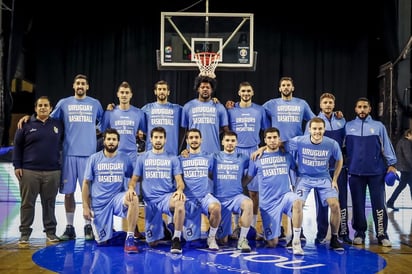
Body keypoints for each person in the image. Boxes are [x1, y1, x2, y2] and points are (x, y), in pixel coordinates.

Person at [17, 74, 104, 241]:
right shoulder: (64, 103)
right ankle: (70, 227)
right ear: (73, 86)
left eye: (83, 84)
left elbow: (103, 121)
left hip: (89, 155)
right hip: (69, 154)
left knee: (89, 194)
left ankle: (88, 226)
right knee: (68, 193)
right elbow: (46, 118)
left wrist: (102, 121)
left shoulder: (95, 104)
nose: (80, 86)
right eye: (77, 83)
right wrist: (29, 118)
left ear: (87, 87)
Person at [243, 127, 304, 255]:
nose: (272, 140)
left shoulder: (286, 155)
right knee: (272, 243)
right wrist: (237, 188)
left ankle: (296, 241)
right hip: (268, 203)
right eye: (269, 138)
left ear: (279, 139)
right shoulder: (256, 158)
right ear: (264, 140)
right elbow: (249, 177)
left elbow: (298, 170)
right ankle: (268, 232)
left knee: (298, 201)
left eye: (275, 137)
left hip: (285, 196)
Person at [345, 97, 397, 247]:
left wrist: (392, 164)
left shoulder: (378, 126)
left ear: (369, 109)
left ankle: (382, 234)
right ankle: (359, 233)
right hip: (355, 173)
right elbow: (341, 148)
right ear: (355, 109)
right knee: (357, 205)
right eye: (359, 107)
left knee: (379, 204)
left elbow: (386, 146)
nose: (362, 109)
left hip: (376, 173)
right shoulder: (348, 127)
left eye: (365, 107)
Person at [126, 126, 186, 254]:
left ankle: (176, 238)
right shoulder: (142, 158)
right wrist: (131, 188)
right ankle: (163, 228)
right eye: (155, 138)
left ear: (165, 140)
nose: (158, 140)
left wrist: (180, 190)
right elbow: (134, 179)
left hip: (166, 198)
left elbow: (180, 181)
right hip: (150, 201)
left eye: (161, 138)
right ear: (151, 140)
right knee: (152, 243)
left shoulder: (172, 158)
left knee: (180, 202)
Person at [12, 96, 64, 244]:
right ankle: (24, 233)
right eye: (40, 105)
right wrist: (17, 165)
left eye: (46, 105)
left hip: (52, 171)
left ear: (51, 108)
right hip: (29, 171)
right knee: (27, 203)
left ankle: (50, 232)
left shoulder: (58, 125)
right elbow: (17, 146)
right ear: (35, 108)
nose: (43, 108)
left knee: (49, 203)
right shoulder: (26, 124)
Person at [289, 117, 344, 251]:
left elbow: (339, 160)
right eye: (314, 128)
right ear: (309, 130)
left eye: (320, 129)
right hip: (304, 178)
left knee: (335, 205)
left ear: (324, 129)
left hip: (323, 178)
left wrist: (335, 179)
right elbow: (279, 144)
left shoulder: (331, 143)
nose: (317, 131)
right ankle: (296, 239)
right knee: (296, 204)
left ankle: (334, 238)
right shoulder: (299, 141)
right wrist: (261, 150)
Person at [81, 128, 139, 253]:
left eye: (114, 139)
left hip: (117, 198)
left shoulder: (124, 158)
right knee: (103, 242)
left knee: (133, 197)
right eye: (109, 139)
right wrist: (85, 206)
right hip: (100, 203)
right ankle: (109, 231)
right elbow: (86, 183)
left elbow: (133, 177)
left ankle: (130, 238)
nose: (111, 142)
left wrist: (130, 188)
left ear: (118, 142)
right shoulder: (94, 158)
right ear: (104, 141)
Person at [226, 81, 270, 240]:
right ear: (239, 93)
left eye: (248, 91)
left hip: (254, 151)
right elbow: (226, 130)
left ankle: (252, 226)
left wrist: (263, 148)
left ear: (252, 93)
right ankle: (236, 226)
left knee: (254, 193)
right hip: (236, 151)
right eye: (243, 91)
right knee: (235, 191)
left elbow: (267, 131)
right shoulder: (231, 110)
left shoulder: (260, 110)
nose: (246, 93)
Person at [308, 92, 352, 244]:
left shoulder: (342, 121)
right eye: (325, 102)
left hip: (339, 169)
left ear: (334, 105)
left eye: (330, 103)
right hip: (319, 171)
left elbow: (346, 144)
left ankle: (343, 232)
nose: (327, 105)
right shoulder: (314, 122)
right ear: (320, 105)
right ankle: (321, 233)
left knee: (342, 201)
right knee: (321, 204)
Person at [179, 128, 221, 250]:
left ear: (201, 139)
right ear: (187, 140)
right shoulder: (181, 158)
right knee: (191, 242)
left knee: (216, 207)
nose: (194, 140)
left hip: (204, 197)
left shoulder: (209, 157)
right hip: (189, 200)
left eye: (196, 137)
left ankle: (211, 237)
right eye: (191, 138)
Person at [211, 130, 253, 252]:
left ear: (237, 143)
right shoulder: (214, 157)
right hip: (220, 199)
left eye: (233, 141)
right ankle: (217, 231)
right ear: (222, 142)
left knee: (249, 203)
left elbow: (253, 166)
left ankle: (242, 239)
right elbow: (208, 173)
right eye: (227, 140)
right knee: (223, 240)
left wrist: (261, 149)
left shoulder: (243, 158)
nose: (230, 143)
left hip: (235, 197)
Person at [101, 81, 146, 164]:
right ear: (118, 94)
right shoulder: (109, 112)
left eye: (127, 92)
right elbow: (103, 132)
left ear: (131, 95)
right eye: (122, 92)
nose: (124, 95)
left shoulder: (139, 113)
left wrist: (140, 133)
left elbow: (145, 133)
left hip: (132, 155)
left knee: (132, 177)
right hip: (114, 153)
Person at [181, 75, 229, 154]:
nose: (205, 89)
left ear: (212, 90)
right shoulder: (188, 106)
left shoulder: (219, 107)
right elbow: (184, 132)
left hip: (214, 152)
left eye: (208, 87)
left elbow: (225, 130)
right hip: (193, 152)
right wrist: (183, 149)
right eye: (202, 87)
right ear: (198, 89)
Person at [141, 80, 183, 156]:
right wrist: (113, 108)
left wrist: (210, 103)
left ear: (168, 92)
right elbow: (133, 117)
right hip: (151, 154)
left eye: (164, 89)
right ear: (155, 92)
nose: (162, 91)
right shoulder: (147, 108)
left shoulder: (177, 109)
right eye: (159, 89)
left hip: (171, 153)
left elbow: (192, 112)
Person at [387, 129, 412, 211]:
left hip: (405, 168)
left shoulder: (402, 141)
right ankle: (390, 202)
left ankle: (390, 202)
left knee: (403, 185)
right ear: (408, 134)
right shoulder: (406, 142)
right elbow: (408, 156)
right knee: (402, 185)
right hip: (406, 168)